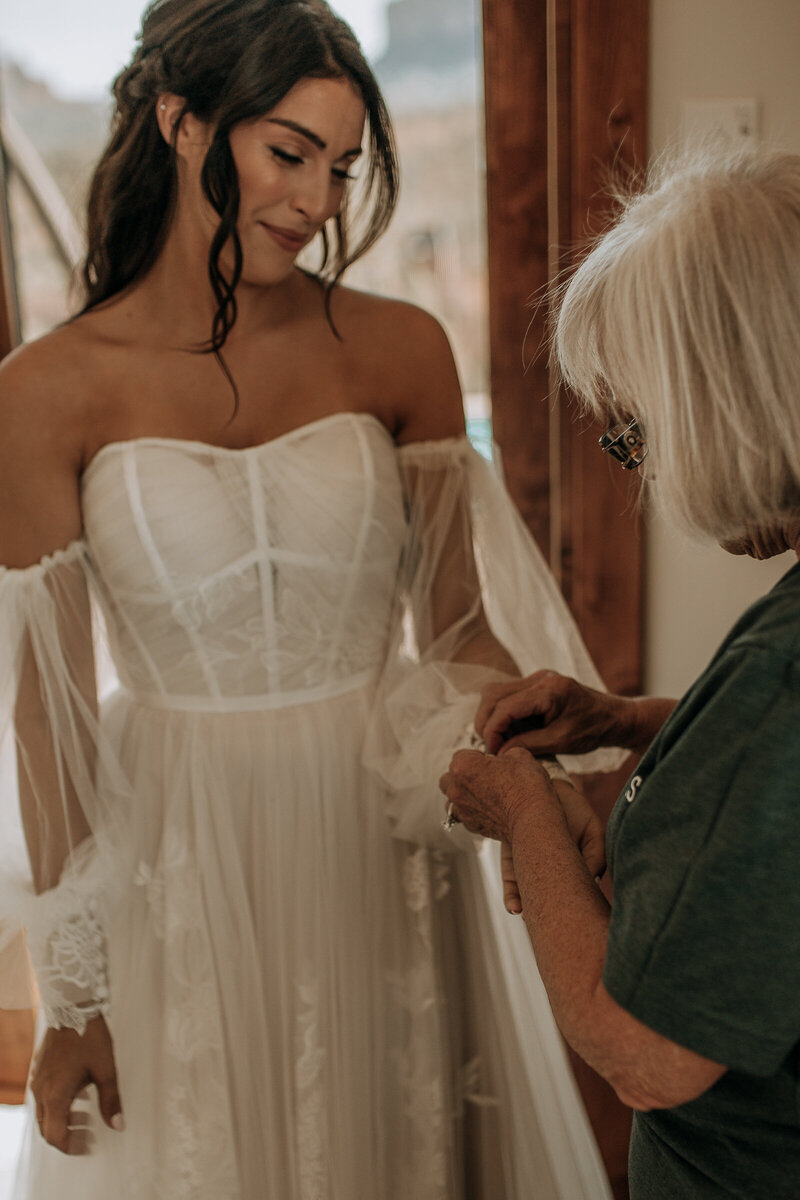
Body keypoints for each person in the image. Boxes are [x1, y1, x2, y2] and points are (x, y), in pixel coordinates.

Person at [0, 1, 624, 1196]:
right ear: (184, 124)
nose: (319, 201)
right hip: (177, 856)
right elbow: (50, 720)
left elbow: (457, 632)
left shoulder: (398, 351)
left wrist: (536, 779)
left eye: (341, 168)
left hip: (378, 846)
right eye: (288, 153)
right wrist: (69, 999)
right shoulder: (46, 392)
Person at [440, 142, 800, 1199]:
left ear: (727, 399)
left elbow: (642, 1054)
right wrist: (637, 719)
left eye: (634, 430)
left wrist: (526, 817)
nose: (638, 463)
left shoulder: (780, 674)